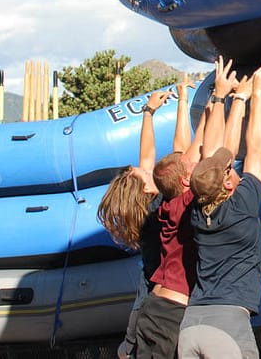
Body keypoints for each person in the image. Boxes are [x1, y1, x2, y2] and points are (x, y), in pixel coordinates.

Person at [178, 59, 261, 359]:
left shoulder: (197, 210)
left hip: (192, 323)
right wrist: (259, 94)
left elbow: (214, 154)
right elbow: (258, 146)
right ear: (226, 185)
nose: (232, 167)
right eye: (229, 170)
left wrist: (235, 98)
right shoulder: (243, 204)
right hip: (228, 323)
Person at [135, 60, 239, 359]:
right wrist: (223, 99)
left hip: (152, 306)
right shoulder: (187, 203)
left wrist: (198, 105)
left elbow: (187, 151)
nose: (195, 166)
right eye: (190, 169)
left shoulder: (161, 204)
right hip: (173, 313)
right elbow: (211, 152)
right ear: (185, 180)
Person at [97, 77, 195, 359]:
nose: (136, 166)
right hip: (157, 304)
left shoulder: (145, 206)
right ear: (144, 188)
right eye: (136, 172)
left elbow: (148, 156)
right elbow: (181, 153)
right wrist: (189, 103)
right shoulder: (159, 208)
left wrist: (148, 113)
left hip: (146, 301)